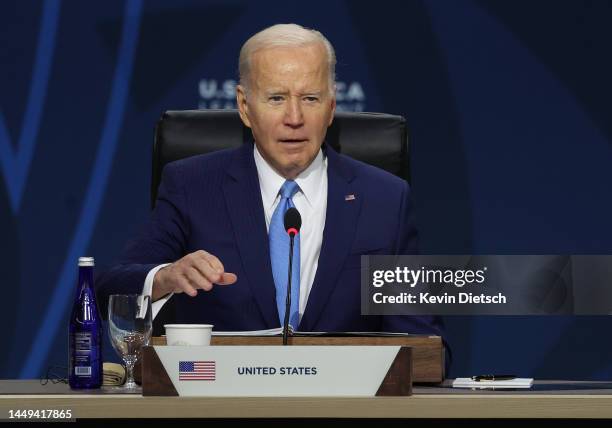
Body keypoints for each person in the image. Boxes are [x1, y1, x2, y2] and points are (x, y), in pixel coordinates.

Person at [97, 23, 443, 338]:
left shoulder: (385, 198)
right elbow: (109, 289)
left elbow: (421, 342)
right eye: (276, 98)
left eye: (310, 98)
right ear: (245, 107)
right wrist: (166, 276)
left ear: (332, 106)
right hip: (222, 401)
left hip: (341, 404)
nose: (294, 118)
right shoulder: (191, 185)